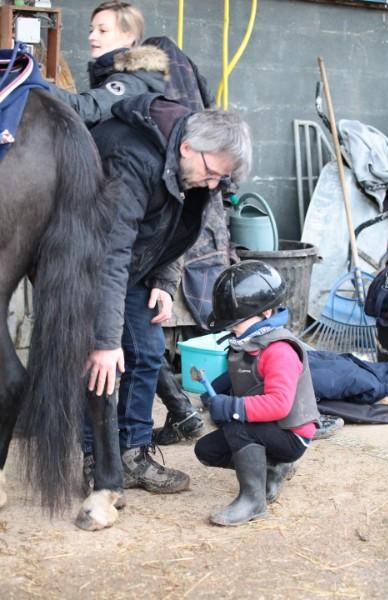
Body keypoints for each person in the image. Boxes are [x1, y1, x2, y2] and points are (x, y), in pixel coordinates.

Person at [84, 92, 252, 494]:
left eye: (221, 179)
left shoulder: (195, 169)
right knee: (103, 364)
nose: (214, 185)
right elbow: (112, 252)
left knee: (145, 354)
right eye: (213, 174)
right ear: (187, 147)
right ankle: (94, 459)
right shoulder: (134, 161)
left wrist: (163, 281)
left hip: (137, 266)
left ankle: (134, 453)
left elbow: (176, 226)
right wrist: (105, 341)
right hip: (91, 265)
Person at [194, 260, 320, 526]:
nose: (232, 328)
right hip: (269, 428)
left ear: (266, 313)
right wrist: (214, 390)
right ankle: (273, 469)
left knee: (237, 426)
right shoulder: (247, 342)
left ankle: (253, 502)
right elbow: (241, 372)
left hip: (291, 434)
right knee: (207, 450)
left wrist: (231, 407)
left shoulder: (279, 350)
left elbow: (280, 405)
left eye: (237, 322)